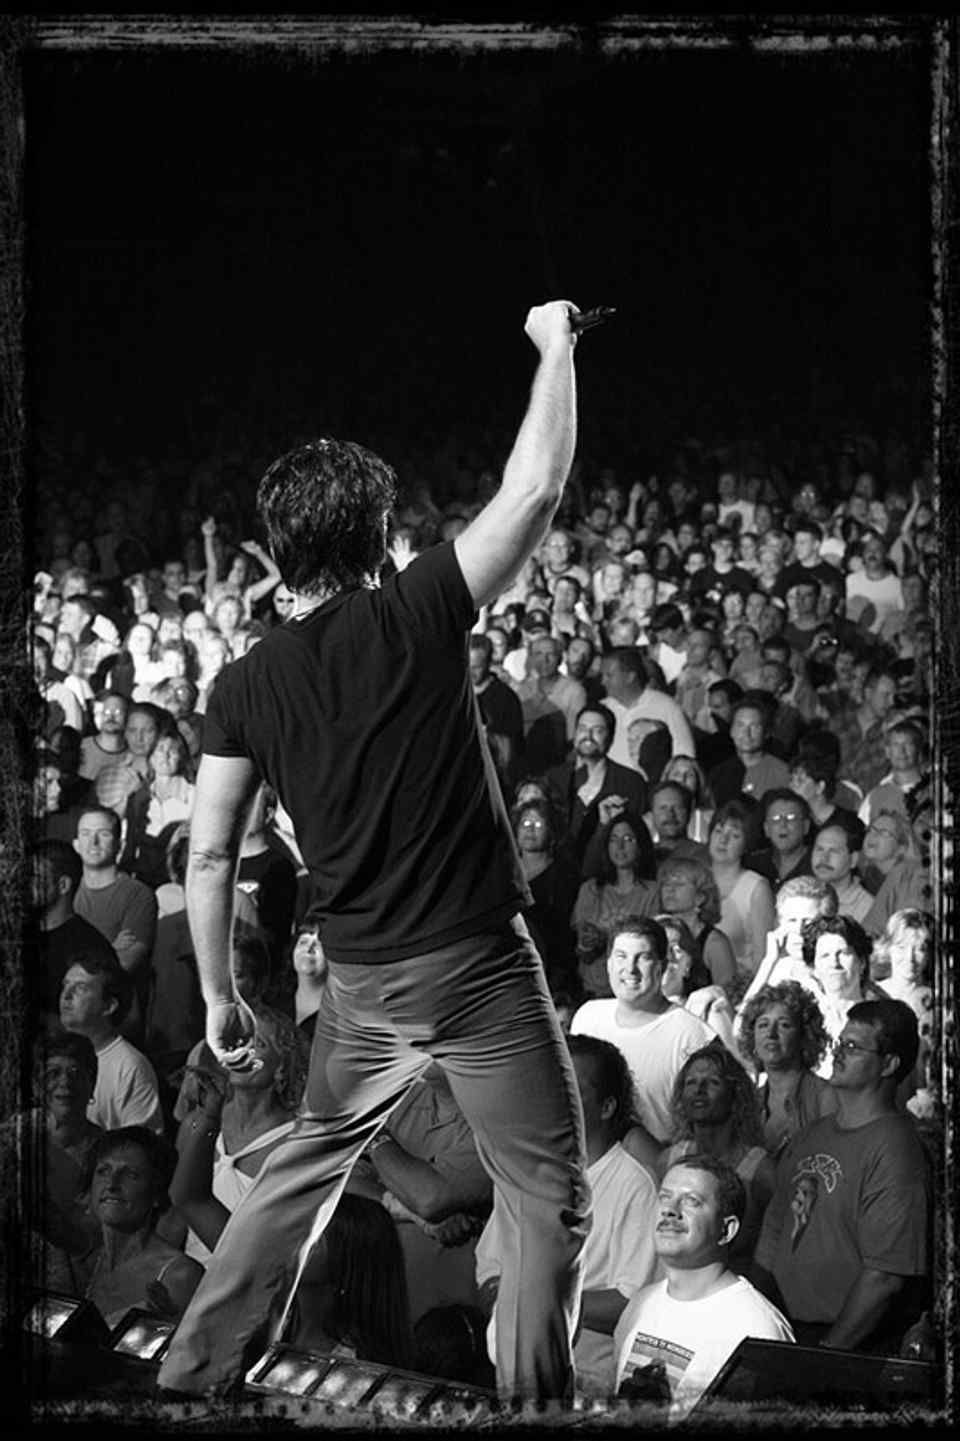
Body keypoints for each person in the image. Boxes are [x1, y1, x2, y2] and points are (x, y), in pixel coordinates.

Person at [158, 300, 591, 1406]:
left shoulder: (244, 684)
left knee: (306, 1163)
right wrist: (554, 347)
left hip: (361, 982)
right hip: (482, 971)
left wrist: (218, 996)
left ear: (279, 550)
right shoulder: (417, 609)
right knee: (544, 1196)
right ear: (378, 533)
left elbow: (209, 858)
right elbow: (534, 491)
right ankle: (535, 1407)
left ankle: (193, 1372)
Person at [477, 1034, 659, 1399]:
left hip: (588, 1385)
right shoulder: (523, 1172)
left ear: (606, 1107)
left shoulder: (633, 1185)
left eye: (571, 1084)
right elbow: (488, 1270)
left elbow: (630, 1301)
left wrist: (539, 1299)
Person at [751, 1000, 930, 1353]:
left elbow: (884, 1277)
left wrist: (827, 1354)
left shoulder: (897, 1147)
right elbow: (770, 1242)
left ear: (889, 1064)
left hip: (851, 1347)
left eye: (853, 1046)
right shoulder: (809, 1136)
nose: (839, 1053)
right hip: (785, 1333)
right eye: (840, 1043)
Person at [612, 1154, 794, 1422]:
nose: (670, 1210)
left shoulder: (757, 1328)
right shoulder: (641, 1303)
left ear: (726, 1230)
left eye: (692, 1201)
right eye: (664, 1197)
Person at [570, 917, 715, 1147]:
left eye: (643, 957)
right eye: (621, 956)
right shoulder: (587, 1018)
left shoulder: (692, 1035)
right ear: (608, 964)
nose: (630, 969)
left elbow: (715, 1121)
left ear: (662, 967)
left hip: (662, 1163)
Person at [73, 1126, 204, 1329]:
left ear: (157, 1193)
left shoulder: (179, 1275)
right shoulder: (86, 1262)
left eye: (130, 1175)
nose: (112, 1184)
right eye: (103, 1172)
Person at [662, 1045, 777, 1268]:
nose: (699, 1090)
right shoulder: (669, 1160)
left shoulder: (760, 1169)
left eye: (713, 1082)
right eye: (691, 1082)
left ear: (735, 1094)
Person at [73, 805, 159, 1044]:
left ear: (119, 844)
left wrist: (74, 956)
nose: (94, 842)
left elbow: (125, 963)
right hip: (67, 1025)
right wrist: (109, 948)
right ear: (76, 844)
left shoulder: (138, 895)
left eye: (103, 834)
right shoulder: (66, 892)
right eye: (86, 833)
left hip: (117, 1027)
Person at [59, 953, 164, 1134]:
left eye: (81, 988)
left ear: (109, 1006)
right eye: (65, 985)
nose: (66, 996)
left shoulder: (130, 1067)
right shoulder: (51, 1055)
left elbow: (140, 1145)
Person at [735, 981, 837, 1158]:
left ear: (804, 1036)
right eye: (763, 1025)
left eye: (784, 1025)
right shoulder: (749, 1104)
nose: (771, 1034)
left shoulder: (826, 1098)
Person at [543, 703, 649, 870]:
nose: (588, 736)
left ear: (611, 738)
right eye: (582, 729)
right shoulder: (553, 779)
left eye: (598, 731)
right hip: (559, 872)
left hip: (610, 873)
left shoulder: (631, 782)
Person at [572, 812, 658, 998]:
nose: (620, 846)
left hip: (634, 989)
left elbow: (652, 946)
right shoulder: (591, 889)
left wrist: (607, 938)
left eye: (628, 839)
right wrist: (589, 943)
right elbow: (581, 950)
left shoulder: (653, 892)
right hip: (592, 990)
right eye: (613, 839)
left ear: (641, 844)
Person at [737, 875, 839, 1011]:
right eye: (792, 920)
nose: (799, 930)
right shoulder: (779, 968)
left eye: (808, 922)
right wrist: (769, 962)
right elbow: (742, 1022)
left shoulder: (839, 967)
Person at [707, 801, 776, 989]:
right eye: (718, 831)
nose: (723, 840)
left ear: (747, 844)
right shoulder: (695, 878)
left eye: (735, 835)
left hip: (738, 988)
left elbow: (763, 957)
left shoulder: (757, 888)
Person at [652, 857, 737, 993]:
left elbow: (729, 994)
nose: (670, 890)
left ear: (700, 897)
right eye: (666, 884)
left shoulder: (715, 943)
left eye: (679, 884)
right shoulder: (656, 931)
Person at [600, 647, 694, 765]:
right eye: (602, 676)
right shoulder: (601, 710)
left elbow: (684, 757)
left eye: (609, 676)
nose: (603, 682)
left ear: (630, 677)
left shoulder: (666, 707)